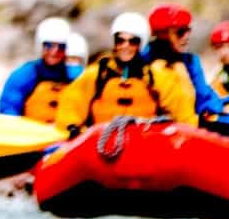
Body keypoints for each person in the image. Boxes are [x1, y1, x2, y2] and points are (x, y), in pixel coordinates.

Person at [54, 12, 196, 133]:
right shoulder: (97, 74)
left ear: (141, 44)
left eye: (132, 41)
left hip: (144, 143)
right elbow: (71, 105)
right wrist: (73, 129)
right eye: (120, 40)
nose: (125, 46)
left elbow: (183, 114)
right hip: (101, 145)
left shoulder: (157, 76)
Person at [0, 16, 81, 123]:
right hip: (33, 134)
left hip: (64, 133)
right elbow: (9, 110)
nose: (55, 51)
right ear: (40, 45)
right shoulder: (24, 75)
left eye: (61, 46)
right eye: (49, 45)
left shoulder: (76, 75)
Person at [147, 2, 219, 122]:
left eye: (188, 30)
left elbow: (204, 95)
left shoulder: (191, 62)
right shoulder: (146, 65)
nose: (186, 36)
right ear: (163, 34)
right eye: (180, 32)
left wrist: (212, 110)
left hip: (193, 123)